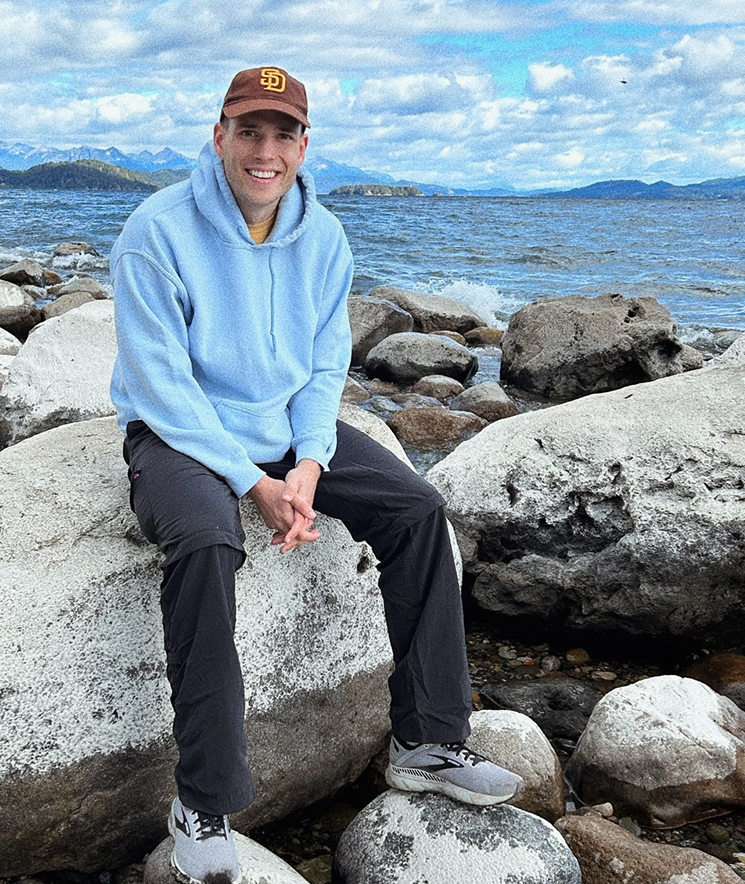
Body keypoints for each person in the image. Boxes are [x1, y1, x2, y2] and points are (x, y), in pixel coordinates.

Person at [110, 66, 522, 884]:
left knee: (415, 508)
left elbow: (324, 366)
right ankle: (204, 799)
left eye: (283, 134)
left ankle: (428, 741)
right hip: (179, 434)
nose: (266, 151)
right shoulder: (155, 232)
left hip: (282, 433)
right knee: (203, 539)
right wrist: (250, 484)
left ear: (304, 146)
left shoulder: (324, 237)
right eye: (249, 131)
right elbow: (162, 387)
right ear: (218, 135)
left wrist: (306, 463)